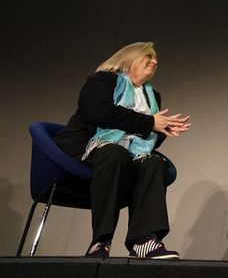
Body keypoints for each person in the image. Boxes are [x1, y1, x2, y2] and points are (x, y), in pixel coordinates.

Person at [54, 42, 191, 260]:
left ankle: (144, 240)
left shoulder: (153, 95)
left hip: (127, 158)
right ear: (129, 59)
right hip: (90, 149)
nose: (155, 62)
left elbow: (146, 137)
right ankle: (100, 241)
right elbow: (100, 112)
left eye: (156, 59)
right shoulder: (101, 81)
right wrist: (149, 123)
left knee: (155, 162)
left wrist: (162, 129)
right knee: (113, 153)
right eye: (148, 56)